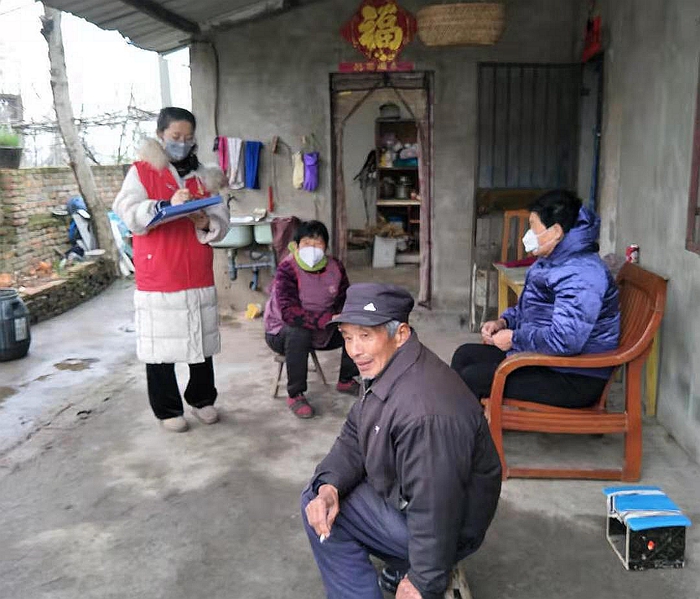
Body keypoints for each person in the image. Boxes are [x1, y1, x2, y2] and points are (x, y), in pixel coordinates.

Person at [302, 283, 502, 599]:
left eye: (366, 335)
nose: (354, 350)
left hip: (448, 530)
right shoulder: (389, 366)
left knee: (315, 506)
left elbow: (436, 510)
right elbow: (354, 433)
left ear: (401, 334)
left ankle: (387, 576)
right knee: (321, 497)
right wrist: (329, 487)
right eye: (348, 337)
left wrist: (423, 580)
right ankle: (399, 563)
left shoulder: (424, 412)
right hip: (415, 501)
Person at [112, 107, 230, 432]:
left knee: (200, 343)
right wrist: (165, 205)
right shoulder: (142, 171)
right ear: (161, 134)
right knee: (160, 348)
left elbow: (222, 219)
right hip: (160, 271)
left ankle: (202, 399)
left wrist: (205, 222)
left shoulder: (204, 175)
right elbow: (127, 211)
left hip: (196, 270)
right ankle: (167, 409)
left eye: (188, 137)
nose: (182, 143)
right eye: (176, 136)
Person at [451, 189, 620, 408]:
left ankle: (466, 427)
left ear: (556, 231)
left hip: (575, 376)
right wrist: (504, 322)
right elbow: (532, 308)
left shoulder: (582, 274)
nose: (528, 234)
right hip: (548, 360)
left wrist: (515, 338)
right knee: (464, 355)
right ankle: (465, 423)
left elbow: (566, 340)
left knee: (474, 377)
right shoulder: (552, 259)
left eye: (533, 226)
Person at [264, 220, 359, 419]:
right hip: (283, 332)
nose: (312, 249)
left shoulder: (335, 267)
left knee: (355, 325)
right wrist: (326, 319)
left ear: (326, 247)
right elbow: (289, 313)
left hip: (323, 328)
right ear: (297, 245)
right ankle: (296, 394)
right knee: (299, 332)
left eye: (318, 244)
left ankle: (346, 379)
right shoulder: (287, 269)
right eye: (307, 243)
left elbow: (344, 299)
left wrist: (342, 317)